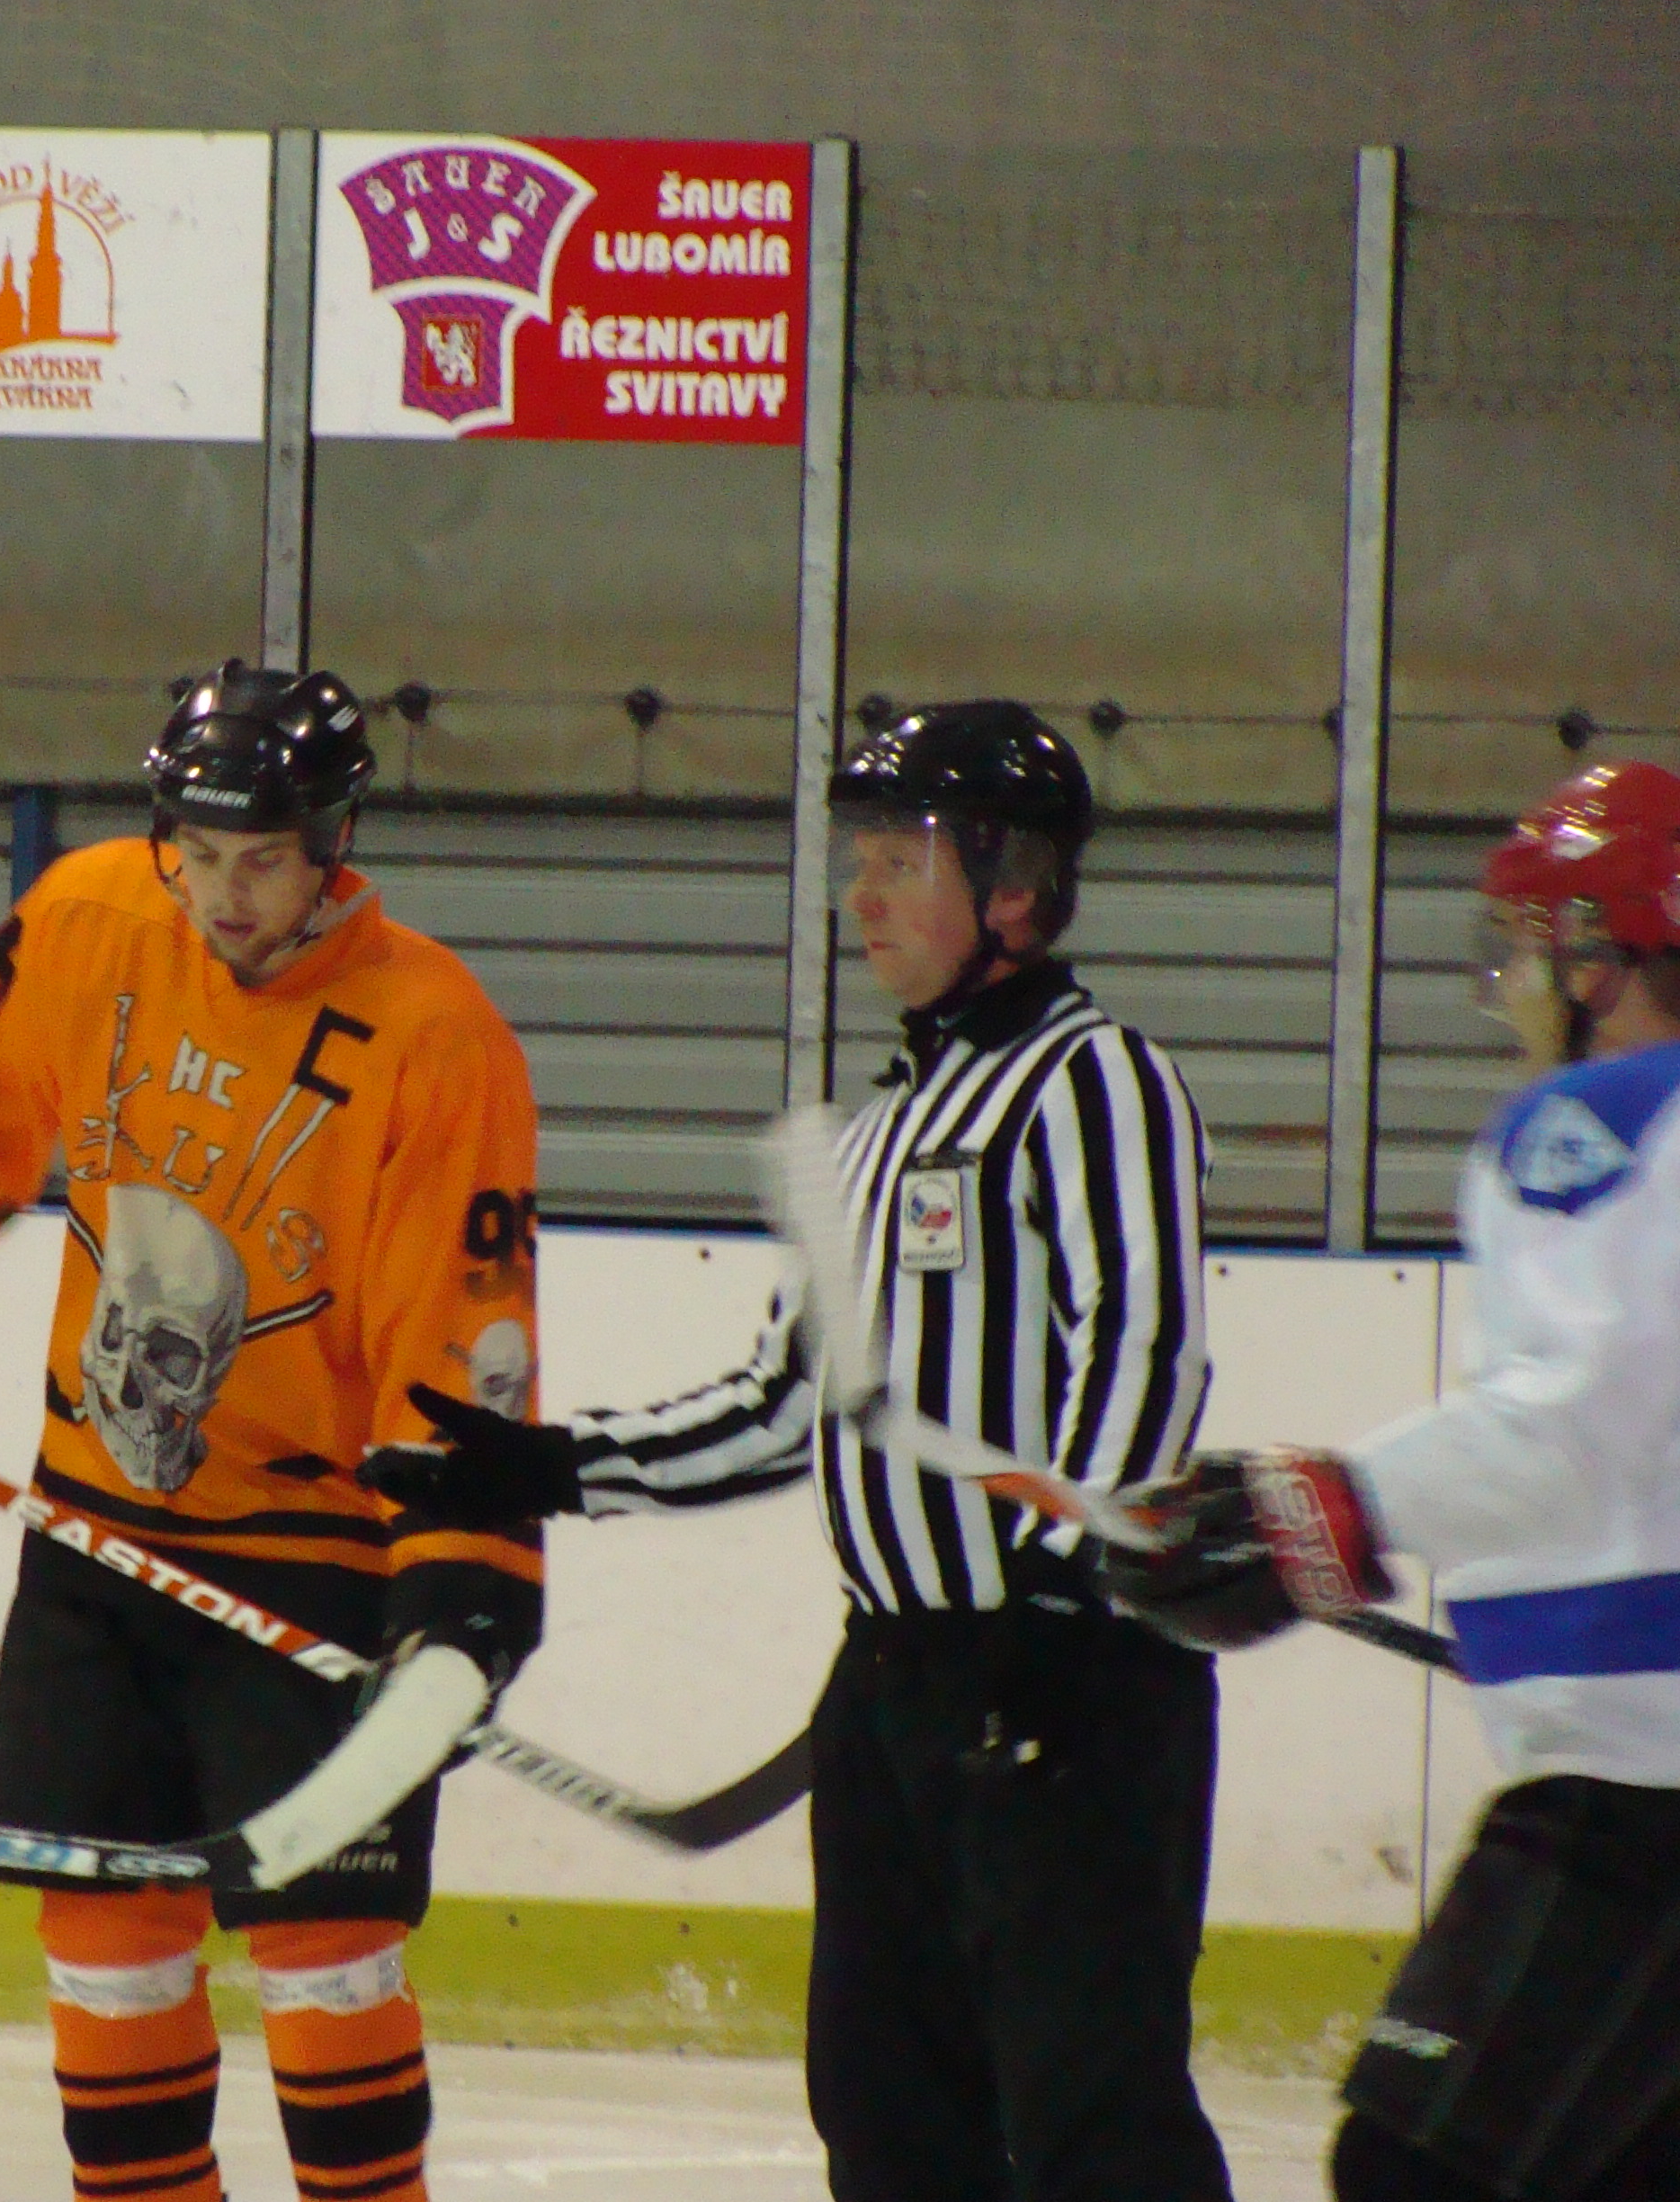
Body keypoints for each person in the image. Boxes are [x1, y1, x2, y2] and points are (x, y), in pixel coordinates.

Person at [371, 702, 1229, 2201]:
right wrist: (550, 1467)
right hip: (895, 1682)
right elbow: (782, 1407)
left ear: (1013, 885)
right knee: (886, 2113)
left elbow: (1142, 1348)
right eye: (860, 857)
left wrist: (1060, 1587)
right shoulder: (872, 1132)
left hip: (1069, 1685)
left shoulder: (1095, 1080)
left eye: (902, 858)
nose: (861, 893)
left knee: (1094, 2116)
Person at [0, 661, 546, 2202]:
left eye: (264, 862)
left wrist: (463, 1583)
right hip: (95, 1544)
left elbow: (457, 1338)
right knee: (106, 1956)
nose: (222, 898)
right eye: (198, 853)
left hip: (309, 1565)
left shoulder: (436, 1037)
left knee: (326, 1963)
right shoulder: (92, 914)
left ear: (334, 844)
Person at [1104, 758, 1680, 2202]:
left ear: (1603, 960)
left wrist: (1322, 1511)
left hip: (1640, 1790)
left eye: (1536, 951)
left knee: (1420, 2167)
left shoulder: (1610, 1121)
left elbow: (1578, 1422)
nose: (1518, 990)